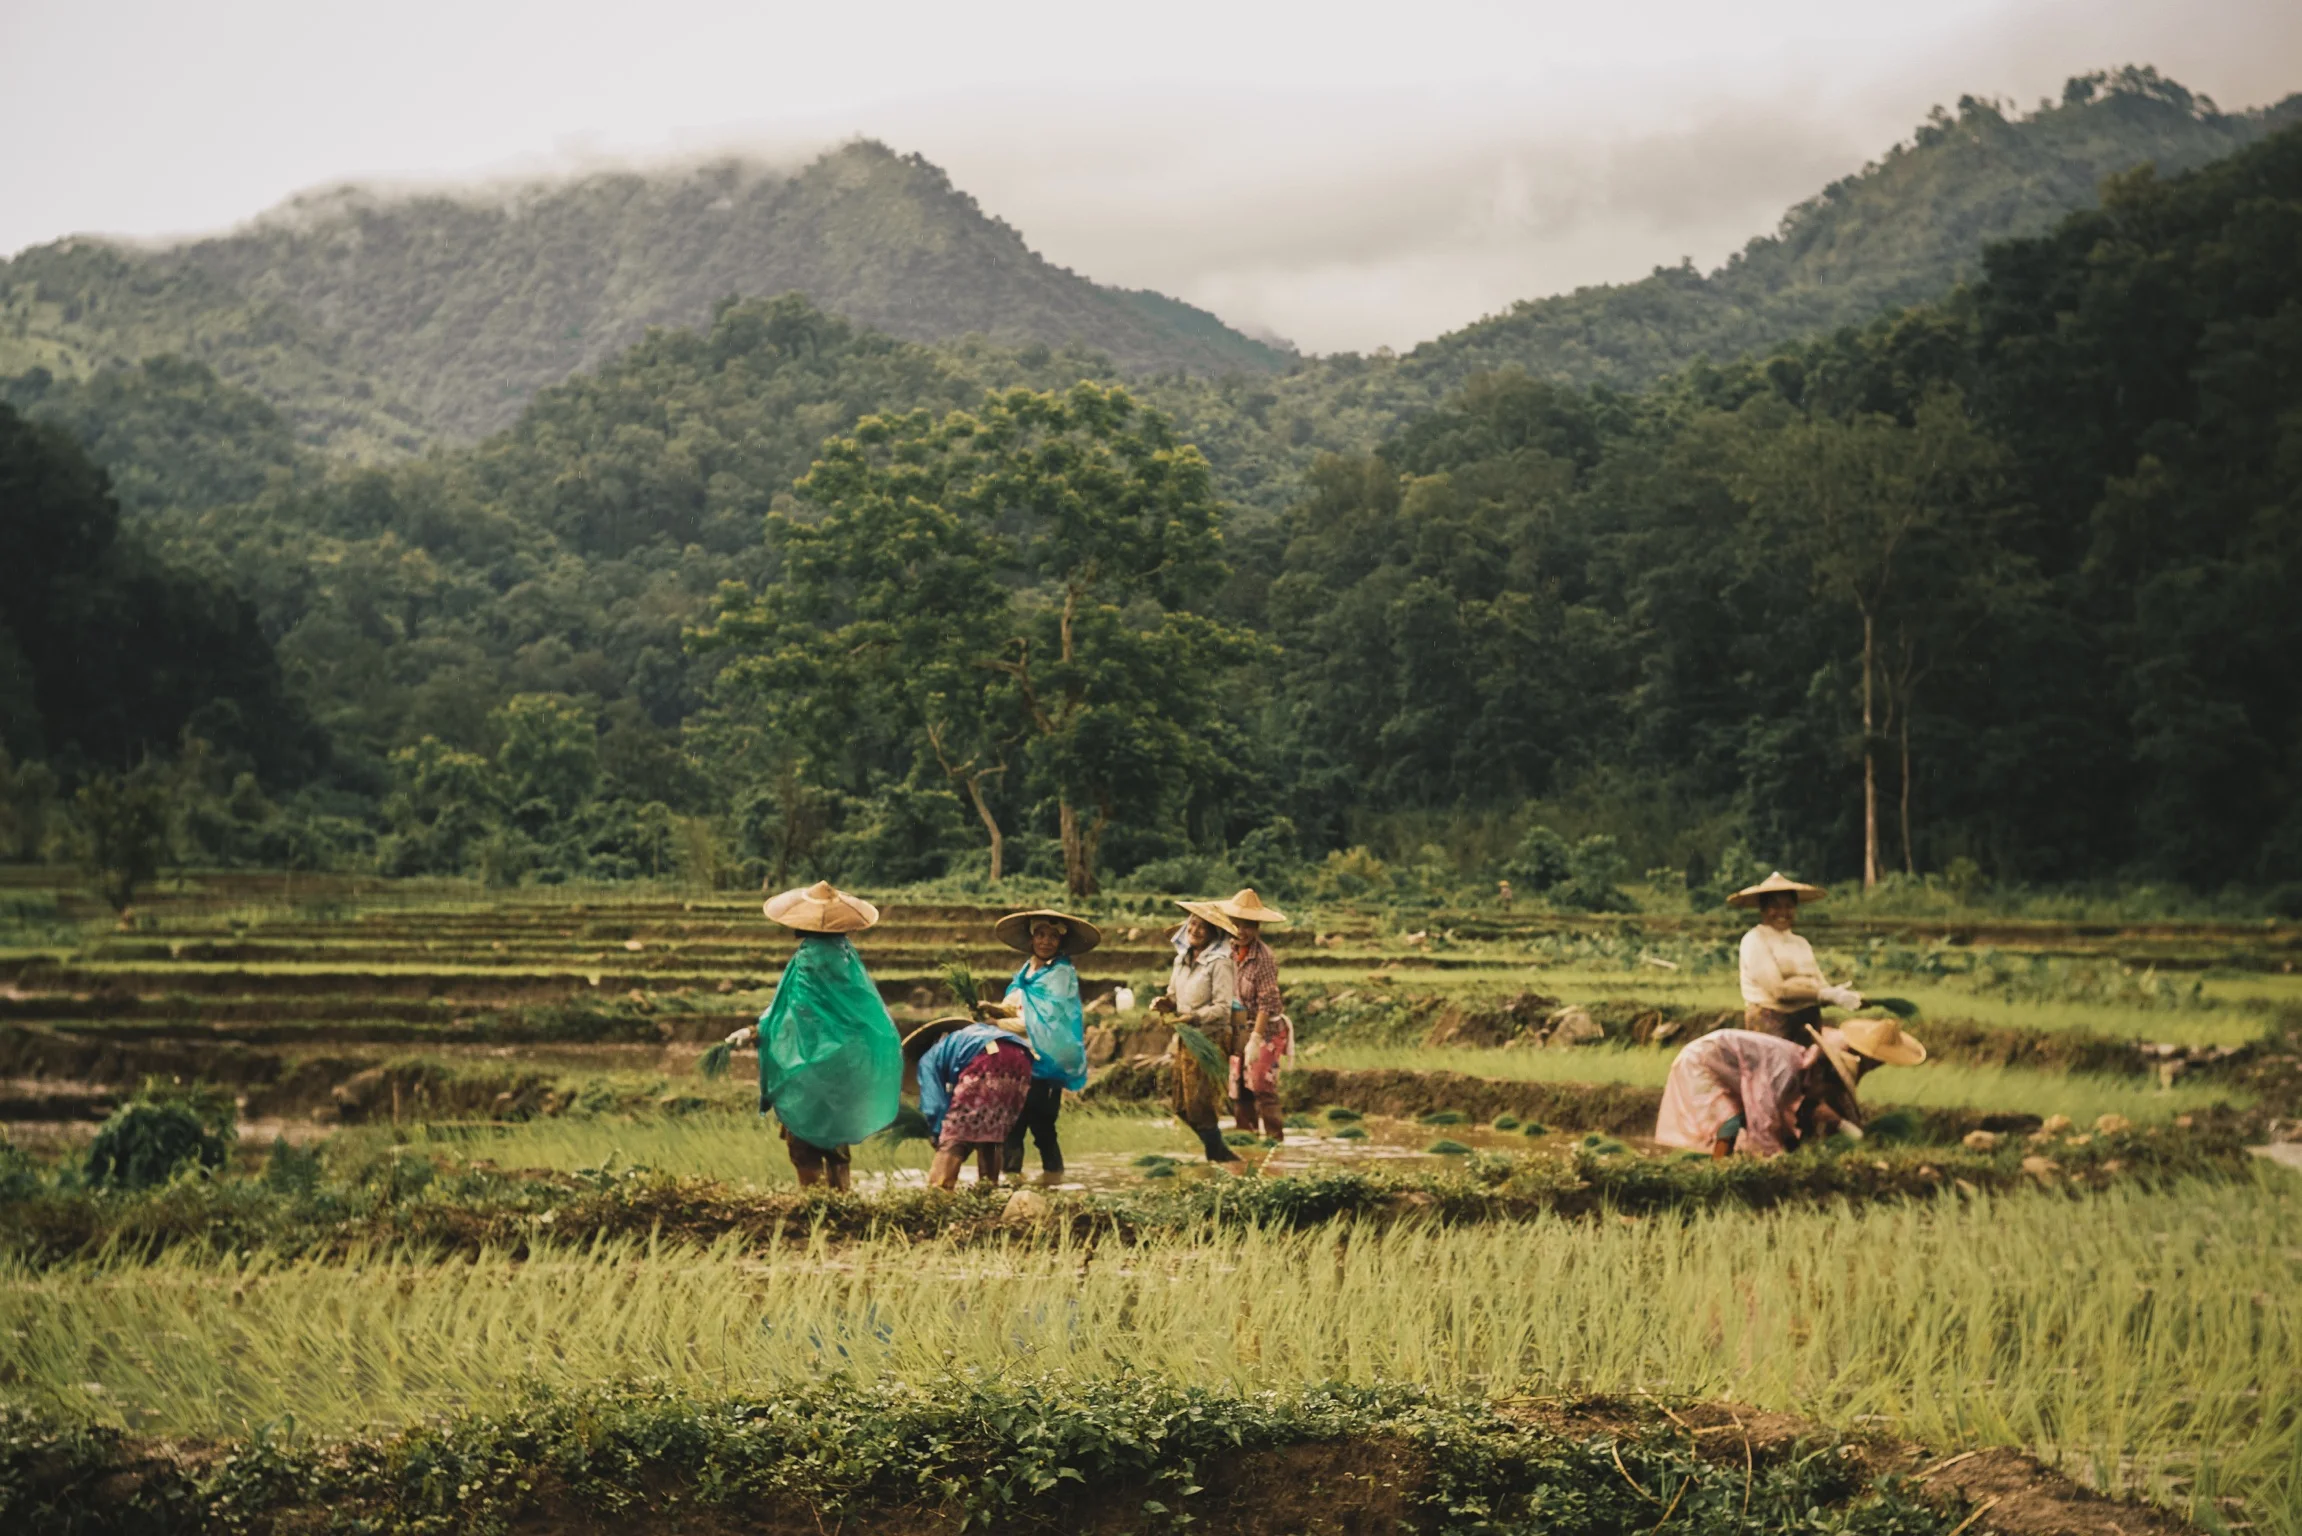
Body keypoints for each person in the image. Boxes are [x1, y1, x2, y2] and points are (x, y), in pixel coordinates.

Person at [720, 880, 902, 1192]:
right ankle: (843, 1205)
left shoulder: (808, 958)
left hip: (811, 1067)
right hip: (846, 1064)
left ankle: (816, 1209)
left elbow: (799, 1014)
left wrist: (757, 1030)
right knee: (836, 1143)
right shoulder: (847, 956)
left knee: (803, 1144)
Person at [1652, 1015, 1927, 1158]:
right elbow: (1764, 1113)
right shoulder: (1784, 1071)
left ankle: (1722, 1162)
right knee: (1730, 1120)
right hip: (1700, 1063)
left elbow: (1813, 1104)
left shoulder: (1808, 1067)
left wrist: (1853, 1133)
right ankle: (1718, 1166)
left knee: (1749, 1122)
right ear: (1822, 1076)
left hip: (1728, 1067)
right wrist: (1774, 1156)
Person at [994, 908, 1098, 1180]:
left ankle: (1053, 1180)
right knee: (1012, 1127)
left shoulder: (1061, 975)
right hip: (1018, 1059)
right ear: (1031, 938)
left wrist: (998, 1025)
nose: (1046, 941)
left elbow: (1045, 1022)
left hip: (1046, 1062)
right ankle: (1012, 1183)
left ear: (1061, 942)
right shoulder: (1026, 971)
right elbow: (1014, 1007)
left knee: (1043, 1127)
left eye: (1053, 936)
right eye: (1040, 934)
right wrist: (991, 1011)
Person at [1151, 899, 1240, 1164]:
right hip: (1186, 1039)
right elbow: (1173, 996)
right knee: (1182, 1106)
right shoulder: (1181, 959)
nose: (1196, 929)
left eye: (1204, 926)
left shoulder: (1220, 962)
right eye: (1193, 923)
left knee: (1201, 1104)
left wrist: (1194, 1017)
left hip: (1209, 1039)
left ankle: (1219, 1156)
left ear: (1215, 933)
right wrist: (1163, 1003)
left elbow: (1223, 1008)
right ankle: (1218, 1152)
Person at [907, 1015, 1037, 1189]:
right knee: (992, 1133)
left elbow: (934, 1104)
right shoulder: (961, 1042)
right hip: (1021, 1057)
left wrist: (937, 1133)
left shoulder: (928, 1059)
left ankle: (939, 1191)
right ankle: (988, 1189)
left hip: (985, 1058)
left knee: (955, 1136)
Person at [1730, 871, 1863, 1040]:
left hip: (1807, 1022)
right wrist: (1824, 994)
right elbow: (1779, 991)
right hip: (1771, 1023)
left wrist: (1837, 994)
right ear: (1763, 909)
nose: (1782, 912)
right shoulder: (1755, 940)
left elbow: (1820, 984)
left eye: (1789, 906)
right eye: (1775, 906)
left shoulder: (1801, 943)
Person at [1213, 888, 1291, 1140]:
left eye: (1249, 925)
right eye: (1236, 924)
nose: (1242, 931)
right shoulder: (1226, 952)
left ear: (1257, 927)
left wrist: (1256, 1039)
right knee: (1239, 1087)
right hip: (1237, 1030)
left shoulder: (1264, 958)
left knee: (1261, 1085)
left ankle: (1273, 1142)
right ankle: (1246, 1141)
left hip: (1265, 1030)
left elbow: (1268, 1002)